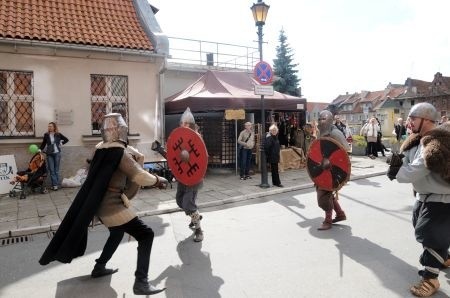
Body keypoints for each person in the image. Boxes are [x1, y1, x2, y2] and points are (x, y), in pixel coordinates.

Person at [39, 113, 168, 296]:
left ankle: (99, 267)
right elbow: (140, 176)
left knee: (116, 233)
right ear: (122, 131)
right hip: (113, 206)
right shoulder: (119, 153)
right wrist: (157, 179)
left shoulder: (100, 150)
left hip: (98, 205)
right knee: (146, 234)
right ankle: (141, 282)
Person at [388, 103, 450, 297]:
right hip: (423, 197)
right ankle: (444, 257)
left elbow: (415, 170)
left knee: (430, 235)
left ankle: (430, 279)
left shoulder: (437, 143)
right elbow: (407, 163)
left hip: (442, 200)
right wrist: (397, 162)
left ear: (426, 120)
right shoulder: (416, 141)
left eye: (412, 119)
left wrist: (398, 172)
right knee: (423, 231)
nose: (409, 122)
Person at [315, 110, 350, 230]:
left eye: (323, 119)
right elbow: (318, 149)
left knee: (323, 196)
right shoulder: (321, 133)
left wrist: (333, 157)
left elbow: (345, 149)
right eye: (319, 119)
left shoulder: (335, 133)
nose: (320, 121)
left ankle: (328, 220)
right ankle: (340, 214)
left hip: (334, 169)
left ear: (330, 120)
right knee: (327, 192)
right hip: (323, 168)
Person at [176, 107, 205, 242]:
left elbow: (203, 157)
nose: (184, 126)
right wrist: (161, 150)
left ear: (192, 125)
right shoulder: (180, 138)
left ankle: (199, 230)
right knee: (179, 201)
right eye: (182, 123)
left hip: (193, 177)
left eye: (187, 124)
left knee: (188, 204)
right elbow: (176, 156)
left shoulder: (197, 138)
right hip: (182, 176)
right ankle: (195, 216)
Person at [39, 122, 69, 190]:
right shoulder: (46, 135)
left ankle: (55, 185)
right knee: (51, 170)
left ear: (54, 127)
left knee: (56, 170)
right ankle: (55, 185)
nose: (49, 127)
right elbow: (43, 143)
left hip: (57, 153)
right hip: (49, 153)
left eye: (51, 126)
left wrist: (61, 143)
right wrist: (40, 149)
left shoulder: (58, 134)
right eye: (48, 126)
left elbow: (66, 140)